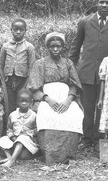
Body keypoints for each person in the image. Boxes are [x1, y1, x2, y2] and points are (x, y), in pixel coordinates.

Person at [69, 0, 108, 149]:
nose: (104, 5)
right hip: (86, 72)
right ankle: (86, 138)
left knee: (103, 108)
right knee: (87, 108)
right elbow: (75, 47)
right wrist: (71, 69)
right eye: (102, 2)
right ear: (96, 3)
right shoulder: (85, 22)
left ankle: (100, 139)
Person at [27, 32, 84, 164]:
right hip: (47, 99)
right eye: (52, 46)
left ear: (63, 47)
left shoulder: (68, 63)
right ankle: (49, 154)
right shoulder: (40, 63)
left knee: (75, 115)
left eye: (58, 46)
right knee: (46, 116)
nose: (55, 49)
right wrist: (47, 99)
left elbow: (74, 84)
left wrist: (69, 100)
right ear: (47, 47)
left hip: (66, 98)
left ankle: (67, 153)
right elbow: (34, 87)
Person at [0, 18, 36, 113]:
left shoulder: (29, 47)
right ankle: (9, 124)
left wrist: (28, 83)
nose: (18, 32)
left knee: (22, 102)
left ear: (25, 31)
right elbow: (0, 65)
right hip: (8, 81)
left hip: (22, 81)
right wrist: (2, 80)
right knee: (9, 103)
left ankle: (22, 125)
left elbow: (32, 67)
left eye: (21, 30)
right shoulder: (5, 46)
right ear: (11, 30)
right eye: (15, 29)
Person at [0, 89, 38, 168]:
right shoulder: (13, 115)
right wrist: (12, 136)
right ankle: (9, 157)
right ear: (17, 102)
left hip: (27, 141)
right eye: (21, 101)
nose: (24, 103)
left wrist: (28, 134)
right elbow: (9, 129)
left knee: (22, 138)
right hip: (14, 139)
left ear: (31, 102)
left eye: (27, 101)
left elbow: (36, 130)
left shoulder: (34, 115)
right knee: (3, 139)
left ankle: (12, 161)